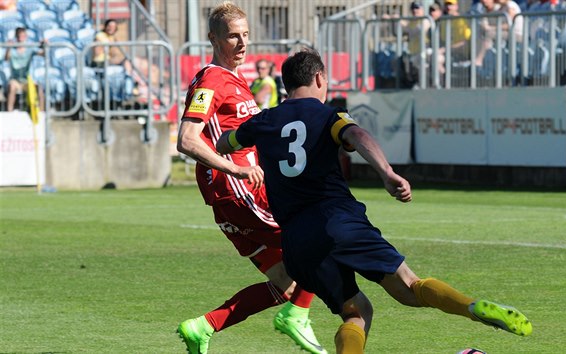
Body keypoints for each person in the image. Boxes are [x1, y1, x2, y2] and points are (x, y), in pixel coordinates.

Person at [216, 48, 533, 353]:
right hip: (337, 220)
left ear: (286, 85)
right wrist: (387, 172)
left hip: (296, 239)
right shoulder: (330, 114)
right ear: (319, 79)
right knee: (409, 286)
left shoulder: (264, 121)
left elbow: (224, 142)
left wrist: (244, 145)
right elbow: (358, 135)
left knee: (356, 312)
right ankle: (471, 307)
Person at [175, 2, 325, 354]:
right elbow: (187, 139)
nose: (242, 43)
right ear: (212, 38)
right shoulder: (211, 80)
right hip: (239, 191)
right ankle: (297, 317)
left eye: (245, 35)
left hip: (237, 197)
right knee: (323, 234)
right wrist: (237, 168)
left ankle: (204, 326)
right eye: (233, 36)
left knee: (287, 285)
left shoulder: (234, 80)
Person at [4, 27, 45, 111]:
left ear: (26, 36)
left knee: (39, 88)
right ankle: (9, 113)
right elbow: (6, 58)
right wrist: (8, 48)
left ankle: (41, 113)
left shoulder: (30, 47)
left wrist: (44, 46)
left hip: (27, 80)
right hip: (15, 79)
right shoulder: (12, 49)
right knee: (12, 87)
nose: (21, 38)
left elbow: (43, 54)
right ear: (16, 37)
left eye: (23, 36)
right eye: (20, 36)